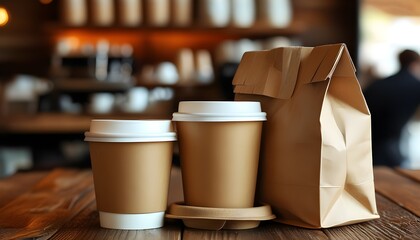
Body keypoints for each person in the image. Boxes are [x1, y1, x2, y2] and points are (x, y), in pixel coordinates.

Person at [364, 49, 420, 167]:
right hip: (390, 146)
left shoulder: (379, 84)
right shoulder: (415, 85)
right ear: (415, 64)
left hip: (368, 140)